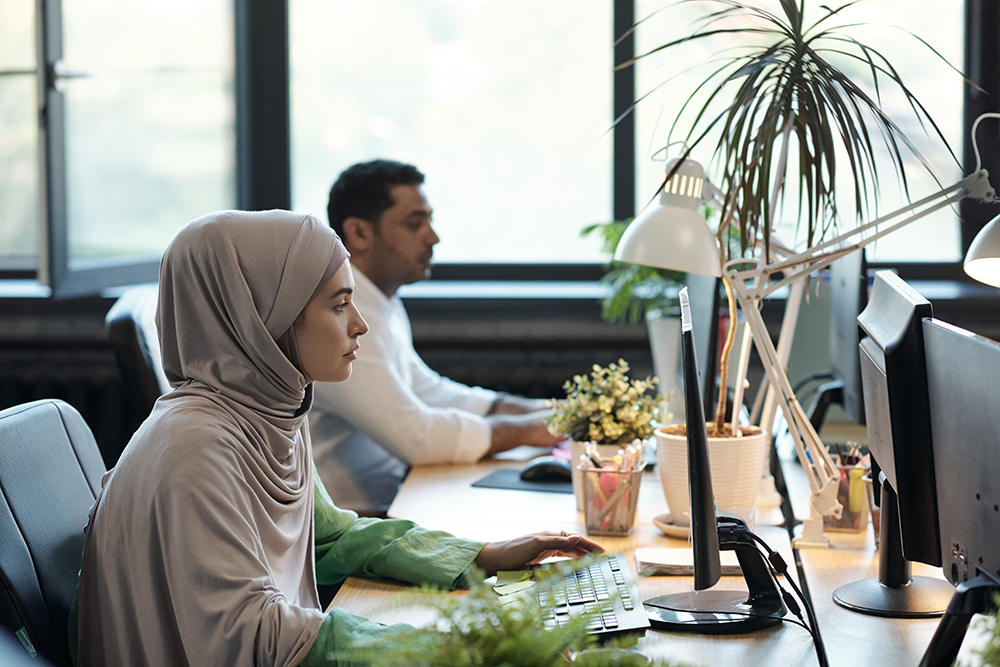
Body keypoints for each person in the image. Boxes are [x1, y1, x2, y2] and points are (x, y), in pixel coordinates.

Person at [73, 210, 601, 667]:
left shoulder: (267, 411)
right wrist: (453, 651)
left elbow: (329, 537)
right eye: (339, 304)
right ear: (265, 320)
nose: (360, 326)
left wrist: (480, 555)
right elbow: (255, 635)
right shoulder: (197, 449)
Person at [310, 159, 563, 516]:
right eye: (415, 224)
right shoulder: (339, 314)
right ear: (359, 233)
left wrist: (543, 412)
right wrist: (528, 430)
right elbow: (417, 435)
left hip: (396, 501)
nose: (433, 236)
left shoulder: (380, 299)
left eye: (430, 220)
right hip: (353, 529)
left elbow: (426, 389)